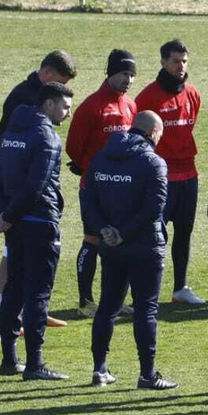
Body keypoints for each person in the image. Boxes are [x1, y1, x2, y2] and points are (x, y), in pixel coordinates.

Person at [84, 111, 177, 390]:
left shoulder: (101, 158)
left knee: (107, 307)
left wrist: (105, 230)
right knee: (146, 309)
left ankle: (99, 370)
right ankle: (147, 374)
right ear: (152, 133)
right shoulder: (153, 162)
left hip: (111, 246)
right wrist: (123, 233)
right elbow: (154, 208)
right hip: (145, 245)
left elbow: (88, 199)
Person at [0, 81, 76, 380]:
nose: (68, 114)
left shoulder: (12, 132)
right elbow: (36, 186)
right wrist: (9, 216)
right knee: (38, 294)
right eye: (65, 107)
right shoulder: (47, 137)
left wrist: (4, 216)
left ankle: (8, 360)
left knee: (13, 288)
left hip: (15, 224)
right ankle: (35, 364)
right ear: (49, 104)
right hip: (40, 223)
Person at [65, 50, 137, 317]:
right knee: (93, 240)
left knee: (120, 242)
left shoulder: (130, 106)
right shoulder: (91, 106)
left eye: (132, 75)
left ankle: (114, 300)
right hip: (94, 189)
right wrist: (94, 172)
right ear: (110, 73)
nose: (128, 80)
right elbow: (73, 146)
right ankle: (86, 302)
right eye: (123, 74)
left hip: (125, 189)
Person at [134, 38, 206, 305]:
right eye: (175, 61)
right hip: (160, 176)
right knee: (155, 233)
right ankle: (148, 288)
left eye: (184, 61)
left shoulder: (193, 94)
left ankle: (180, 288)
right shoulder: (148, 96)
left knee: (184, 231)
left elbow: (190, 126)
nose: (181, 66)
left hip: (189, 173)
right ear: (163, 62)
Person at [0, 49, 76, 140]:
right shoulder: (23, 96)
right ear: (47, 72)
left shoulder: (39, 93)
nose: (61, 88)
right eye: (59, 83)